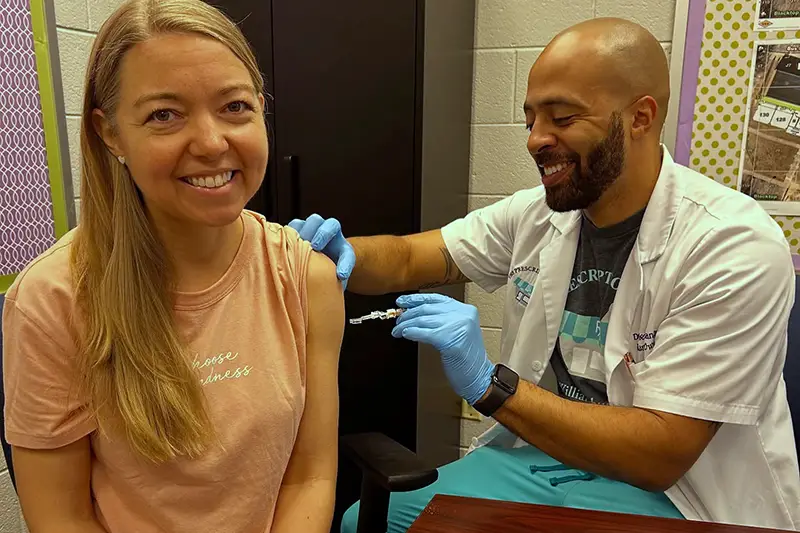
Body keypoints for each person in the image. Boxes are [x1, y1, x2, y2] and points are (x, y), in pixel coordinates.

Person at [291, 17, 800, 532]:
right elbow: (409, 258)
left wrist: (491, 384)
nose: (536, 140)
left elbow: (659, 454)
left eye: (561, 118)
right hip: (542, 456)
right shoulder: (537, 214)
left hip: (676, 492)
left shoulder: (733, 245)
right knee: (370, 522)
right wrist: (333, 253)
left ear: (640, 117)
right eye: (530, 119)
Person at [2, 1, 344, 532]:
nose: (211, 143)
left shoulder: (306, 277)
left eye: (234, 107)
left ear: (261, 108)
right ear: (111, 133)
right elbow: (60, 518)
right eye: (164, 114)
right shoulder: (55, 298)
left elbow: (310, 477)